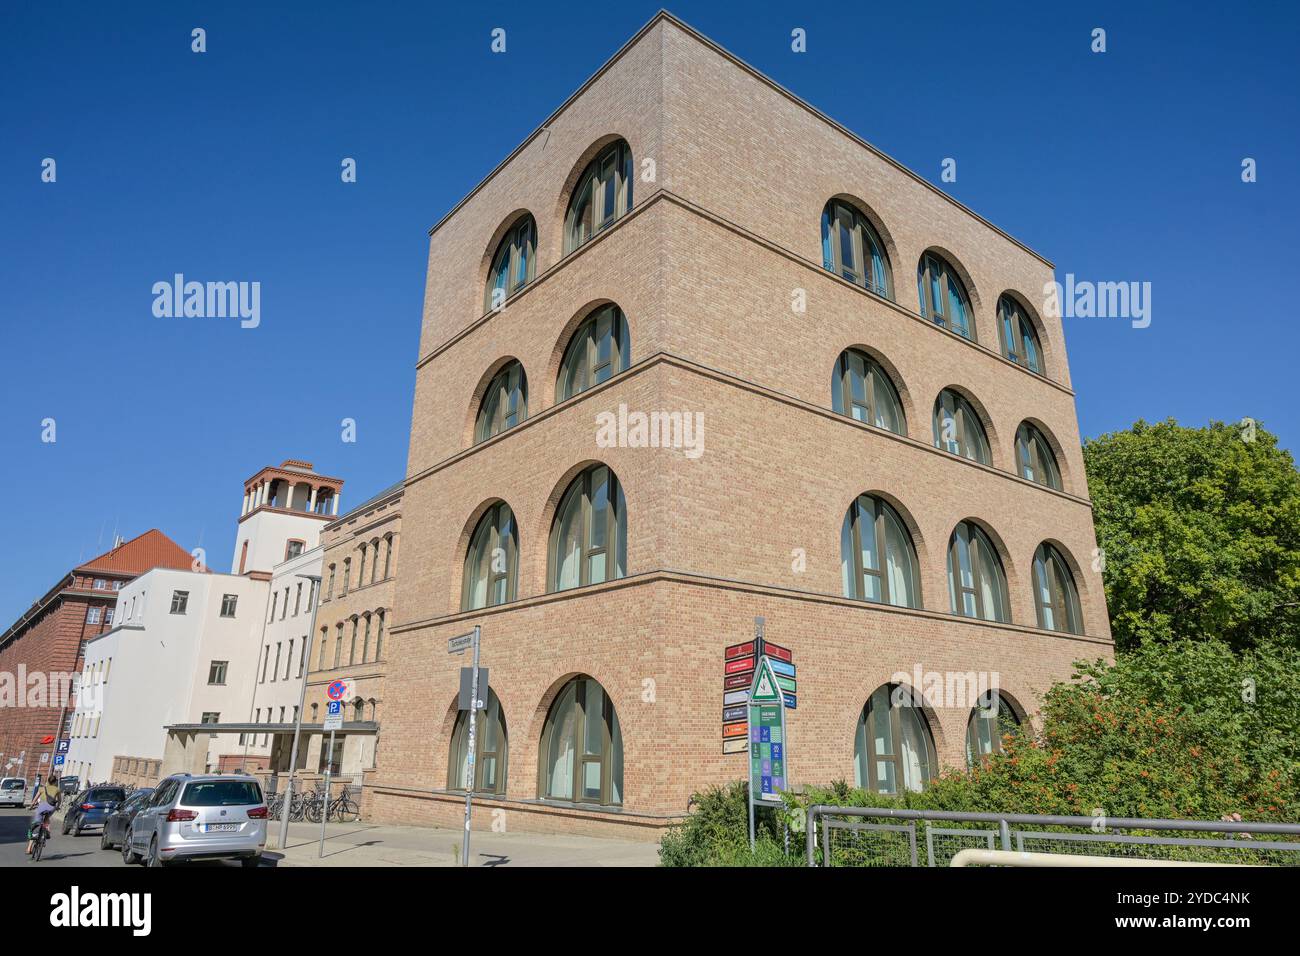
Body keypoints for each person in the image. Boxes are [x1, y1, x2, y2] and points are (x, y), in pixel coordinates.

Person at [26, 774, 60, 856]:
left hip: (41, 808)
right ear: (55, 782)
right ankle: (47, 831)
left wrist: (31, 806)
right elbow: (59, 801)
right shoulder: (57, 789)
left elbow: (34, 799)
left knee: (36, 824)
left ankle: (29, 848)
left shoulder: (42, 788)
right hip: (51, 808)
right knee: (47, 818)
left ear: (48, 781)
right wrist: (57, 807)